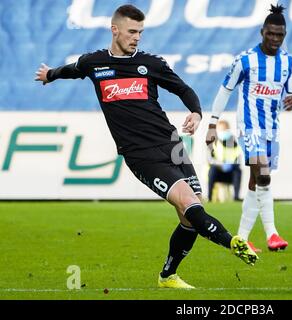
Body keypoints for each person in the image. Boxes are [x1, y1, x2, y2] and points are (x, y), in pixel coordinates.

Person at [34, 4, 258, 289]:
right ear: (114, 30)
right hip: (140, 155)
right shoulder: (94, 63)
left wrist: (196, 112)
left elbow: (183, 89)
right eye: (131, 32)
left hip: (172, 143)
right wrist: (49, 74)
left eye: (140, 32)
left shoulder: (151, 64)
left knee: (191, 212)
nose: (137, 37)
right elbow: (72, 70)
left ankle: (167, 277)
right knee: (189, 203)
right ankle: (232, 242)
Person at [205, 4, 292, 253]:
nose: (275, 39)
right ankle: (273, 234)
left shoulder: (289, 63)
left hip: (272, 129)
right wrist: (212, 124)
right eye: (271, 33)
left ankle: (242, 238)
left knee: (254, 182)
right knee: (264, 175)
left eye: (280, 35)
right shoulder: (245, 61)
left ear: (284, 35)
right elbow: (225, 90)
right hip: (249, 128)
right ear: (262, 32)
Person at [207, 119, 242, 202]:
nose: (223, 132)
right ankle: (209, 198)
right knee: (212, 170)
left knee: (238, 171)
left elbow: (238, 158)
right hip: (218, 171)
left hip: (230, 172)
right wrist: (220, 164)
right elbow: (210, 159)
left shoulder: (234, 143)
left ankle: (236, 197)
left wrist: (231, 164)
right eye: (221, 130)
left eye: (225, 130)